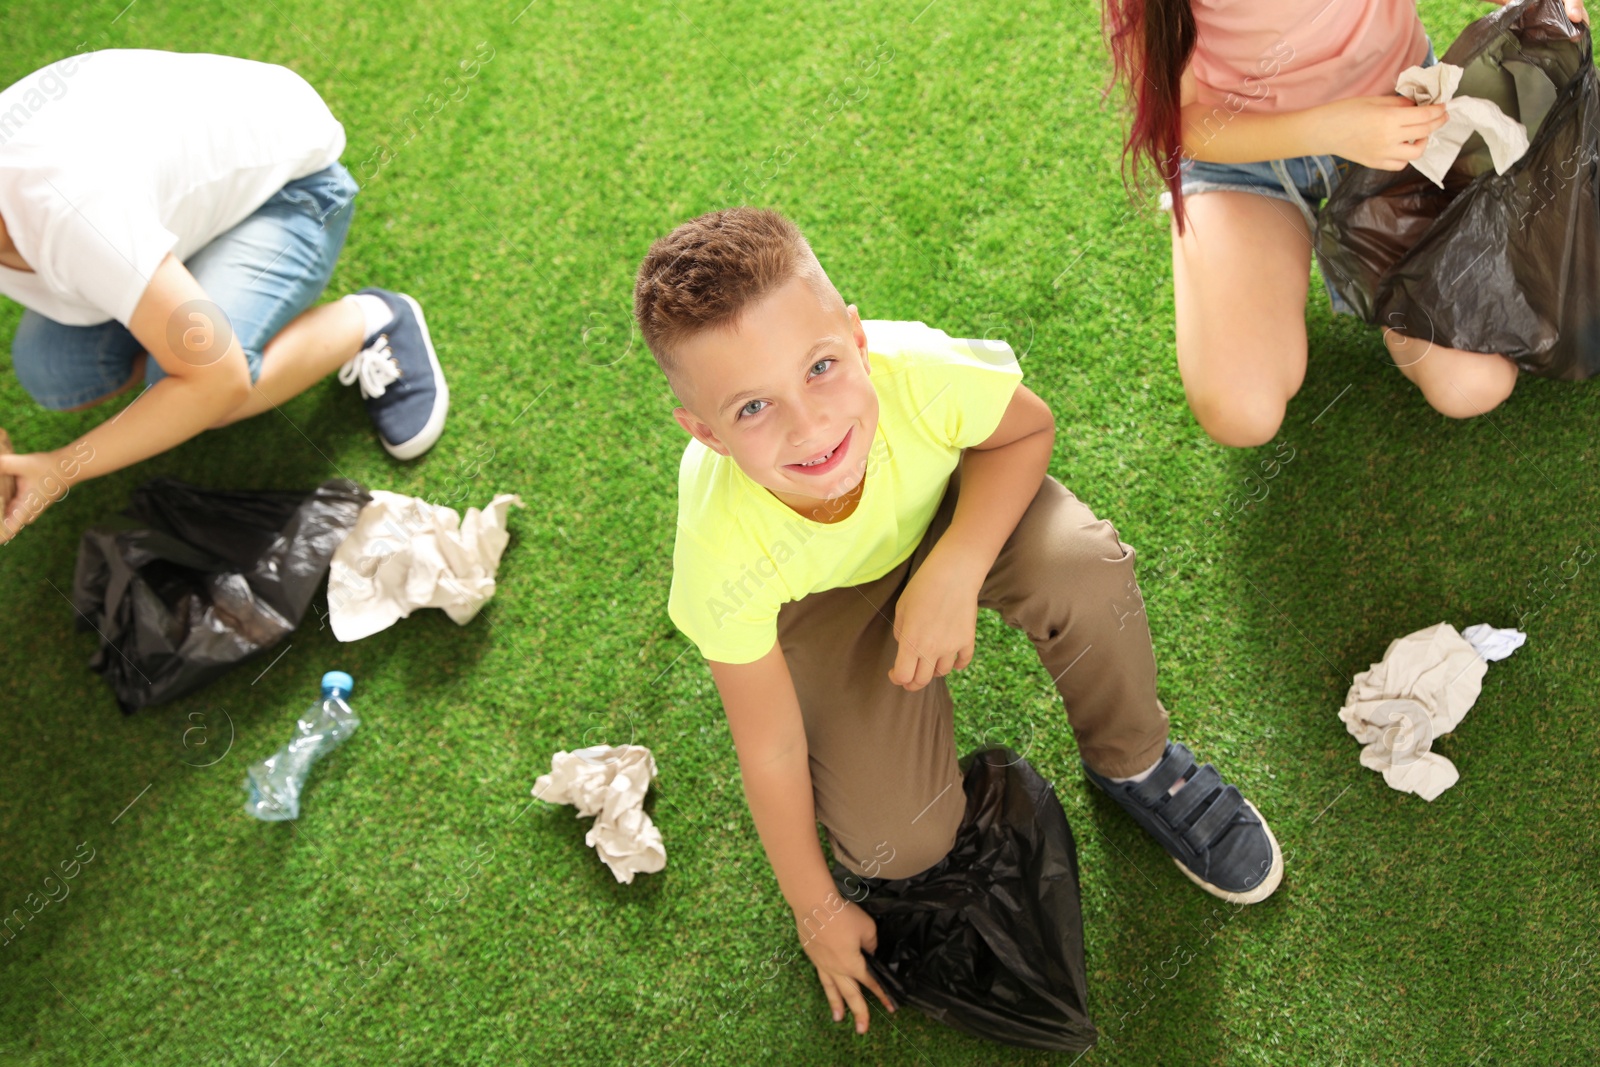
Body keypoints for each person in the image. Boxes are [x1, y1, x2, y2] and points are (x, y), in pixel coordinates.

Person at [634, 207, 1284, 1036]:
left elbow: (1026, 432)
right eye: (753, 408)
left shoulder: (920, 372)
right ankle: (942, 798)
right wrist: (814, 907)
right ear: (706, 434)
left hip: (955, 513)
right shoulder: (721, 548)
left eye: (822, 366)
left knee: (1082, 567)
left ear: (857, 336)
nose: (811, 424)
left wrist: (956, 564)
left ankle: (1139, 763)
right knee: (889, 848)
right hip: (826, 602)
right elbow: (767, 742)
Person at [0, 48, 450, 544]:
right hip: (172, 211)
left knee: (203, 390)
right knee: (57, 371)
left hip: (288, 193)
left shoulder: (66, 212)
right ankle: (178, 292)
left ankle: (371, 321)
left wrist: (60, 468)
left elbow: (216, 381)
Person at [1099, 0, 1589, 447]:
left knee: (1471, 385)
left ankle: (1373, 267)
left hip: (1398, 116)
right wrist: (1330, 128)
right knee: (1241, 412)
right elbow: (1176, 122)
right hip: (1244, 155)